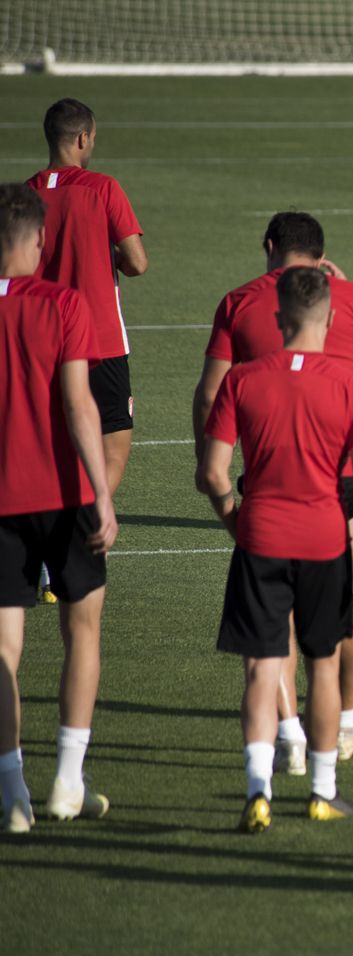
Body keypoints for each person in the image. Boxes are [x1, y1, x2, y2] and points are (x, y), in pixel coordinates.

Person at [193, 212, 353, 773]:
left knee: (270, 629)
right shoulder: (350, 297)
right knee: (348, 613)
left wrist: (217, 480)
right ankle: (346, 723)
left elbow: (211, 394)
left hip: (267, 482)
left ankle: (287, 737)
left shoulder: (237, 302)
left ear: (269, 247)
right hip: (340, 484)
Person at [0, 183, 118, 833]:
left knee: (2, 650)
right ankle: (68, 780)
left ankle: (11, 792)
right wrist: (102, 494)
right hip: (65, 494)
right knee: (82, 631)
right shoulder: (63, 304)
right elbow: (79, 404)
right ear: (38, 242)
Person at [26, 99, 145, 610]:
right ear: (82, 138)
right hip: (99, 340)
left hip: (41, 342)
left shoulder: (25, 194)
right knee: (114, 441)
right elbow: (137, 262)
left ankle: (46, 543)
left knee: (51, 443)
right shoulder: (102, 188)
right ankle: (80, 526)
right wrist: (106, 253)